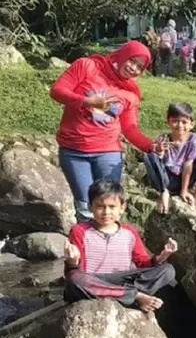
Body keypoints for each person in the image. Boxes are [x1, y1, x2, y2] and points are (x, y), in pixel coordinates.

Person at [50, 40, 157, 222]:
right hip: (74, 151)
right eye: (132, 61)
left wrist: (151, 146)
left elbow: (130, 129)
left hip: (108, 152)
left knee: (109, 205)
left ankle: (112, 247)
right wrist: (86, 101)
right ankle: (87, 247)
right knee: (85, 207)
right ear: (123, 55)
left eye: (140, 67)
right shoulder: (87, 66)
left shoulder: (130, 94)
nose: (134, 69)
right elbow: (57, 91)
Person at [63, 180, 178, 313]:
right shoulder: (79, 230)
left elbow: (143, 263)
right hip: (94, 279)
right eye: (100, 206)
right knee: (75, 279)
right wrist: (72, 262)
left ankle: (122, 294)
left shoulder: (129, 231)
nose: (106, 212)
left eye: (112, 207)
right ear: (90, 207)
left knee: (168, 270)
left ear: (122, 208)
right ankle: (134, 296)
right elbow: (74, 273)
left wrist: (161, 257)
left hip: (122, 280)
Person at [143, 102, 196, 214]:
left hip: (185, 178)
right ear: (168, 122)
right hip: (166, 179)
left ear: (192, 125)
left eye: (184, 122)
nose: (180, 125)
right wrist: (160, 150)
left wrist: (184, 190)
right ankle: (164, 192)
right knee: (149, 156)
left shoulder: (193, 139)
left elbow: (188, 165)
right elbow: (158, 164)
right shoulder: (163, 138)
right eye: (175, 121)